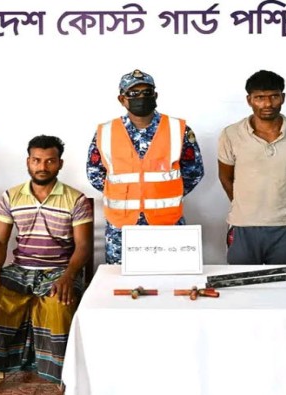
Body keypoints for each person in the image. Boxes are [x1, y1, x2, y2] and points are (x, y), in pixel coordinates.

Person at [0, 135, 93, 395]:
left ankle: (62, 377)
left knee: (59, 303)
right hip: (21, 269)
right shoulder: (11, 196)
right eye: (36, 160)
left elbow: (83, 246)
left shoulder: (75, 200)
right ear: (28, 162)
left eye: (50, 161)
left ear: (60, 163)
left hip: (59, 270)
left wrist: (68, 277)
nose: (42, 166)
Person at [86, 69, 204, 264]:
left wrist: (164, 192)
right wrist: (124, 193)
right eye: (133, 93)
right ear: (122, 99)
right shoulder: (105, 131)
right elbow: (95, 173)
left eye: (147, 92)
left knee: (170, 277)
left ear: (155, 96)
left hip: (167, 224)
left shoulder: (178, 129)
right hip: (121, 228)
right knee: (121, 279)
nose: (141, 97)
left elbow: (194, 171)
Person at [218, 70, 286, 264]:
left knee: (282, 281)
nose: (268, 104)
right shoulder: (231, 134)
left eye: (274, 96)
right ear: (249, 100)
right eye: (260, 98)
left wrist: (285, 206)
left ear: (283, 98)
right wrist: (244, 206)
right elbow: (226, 177)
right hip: (243, 225)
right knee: (242, 280)